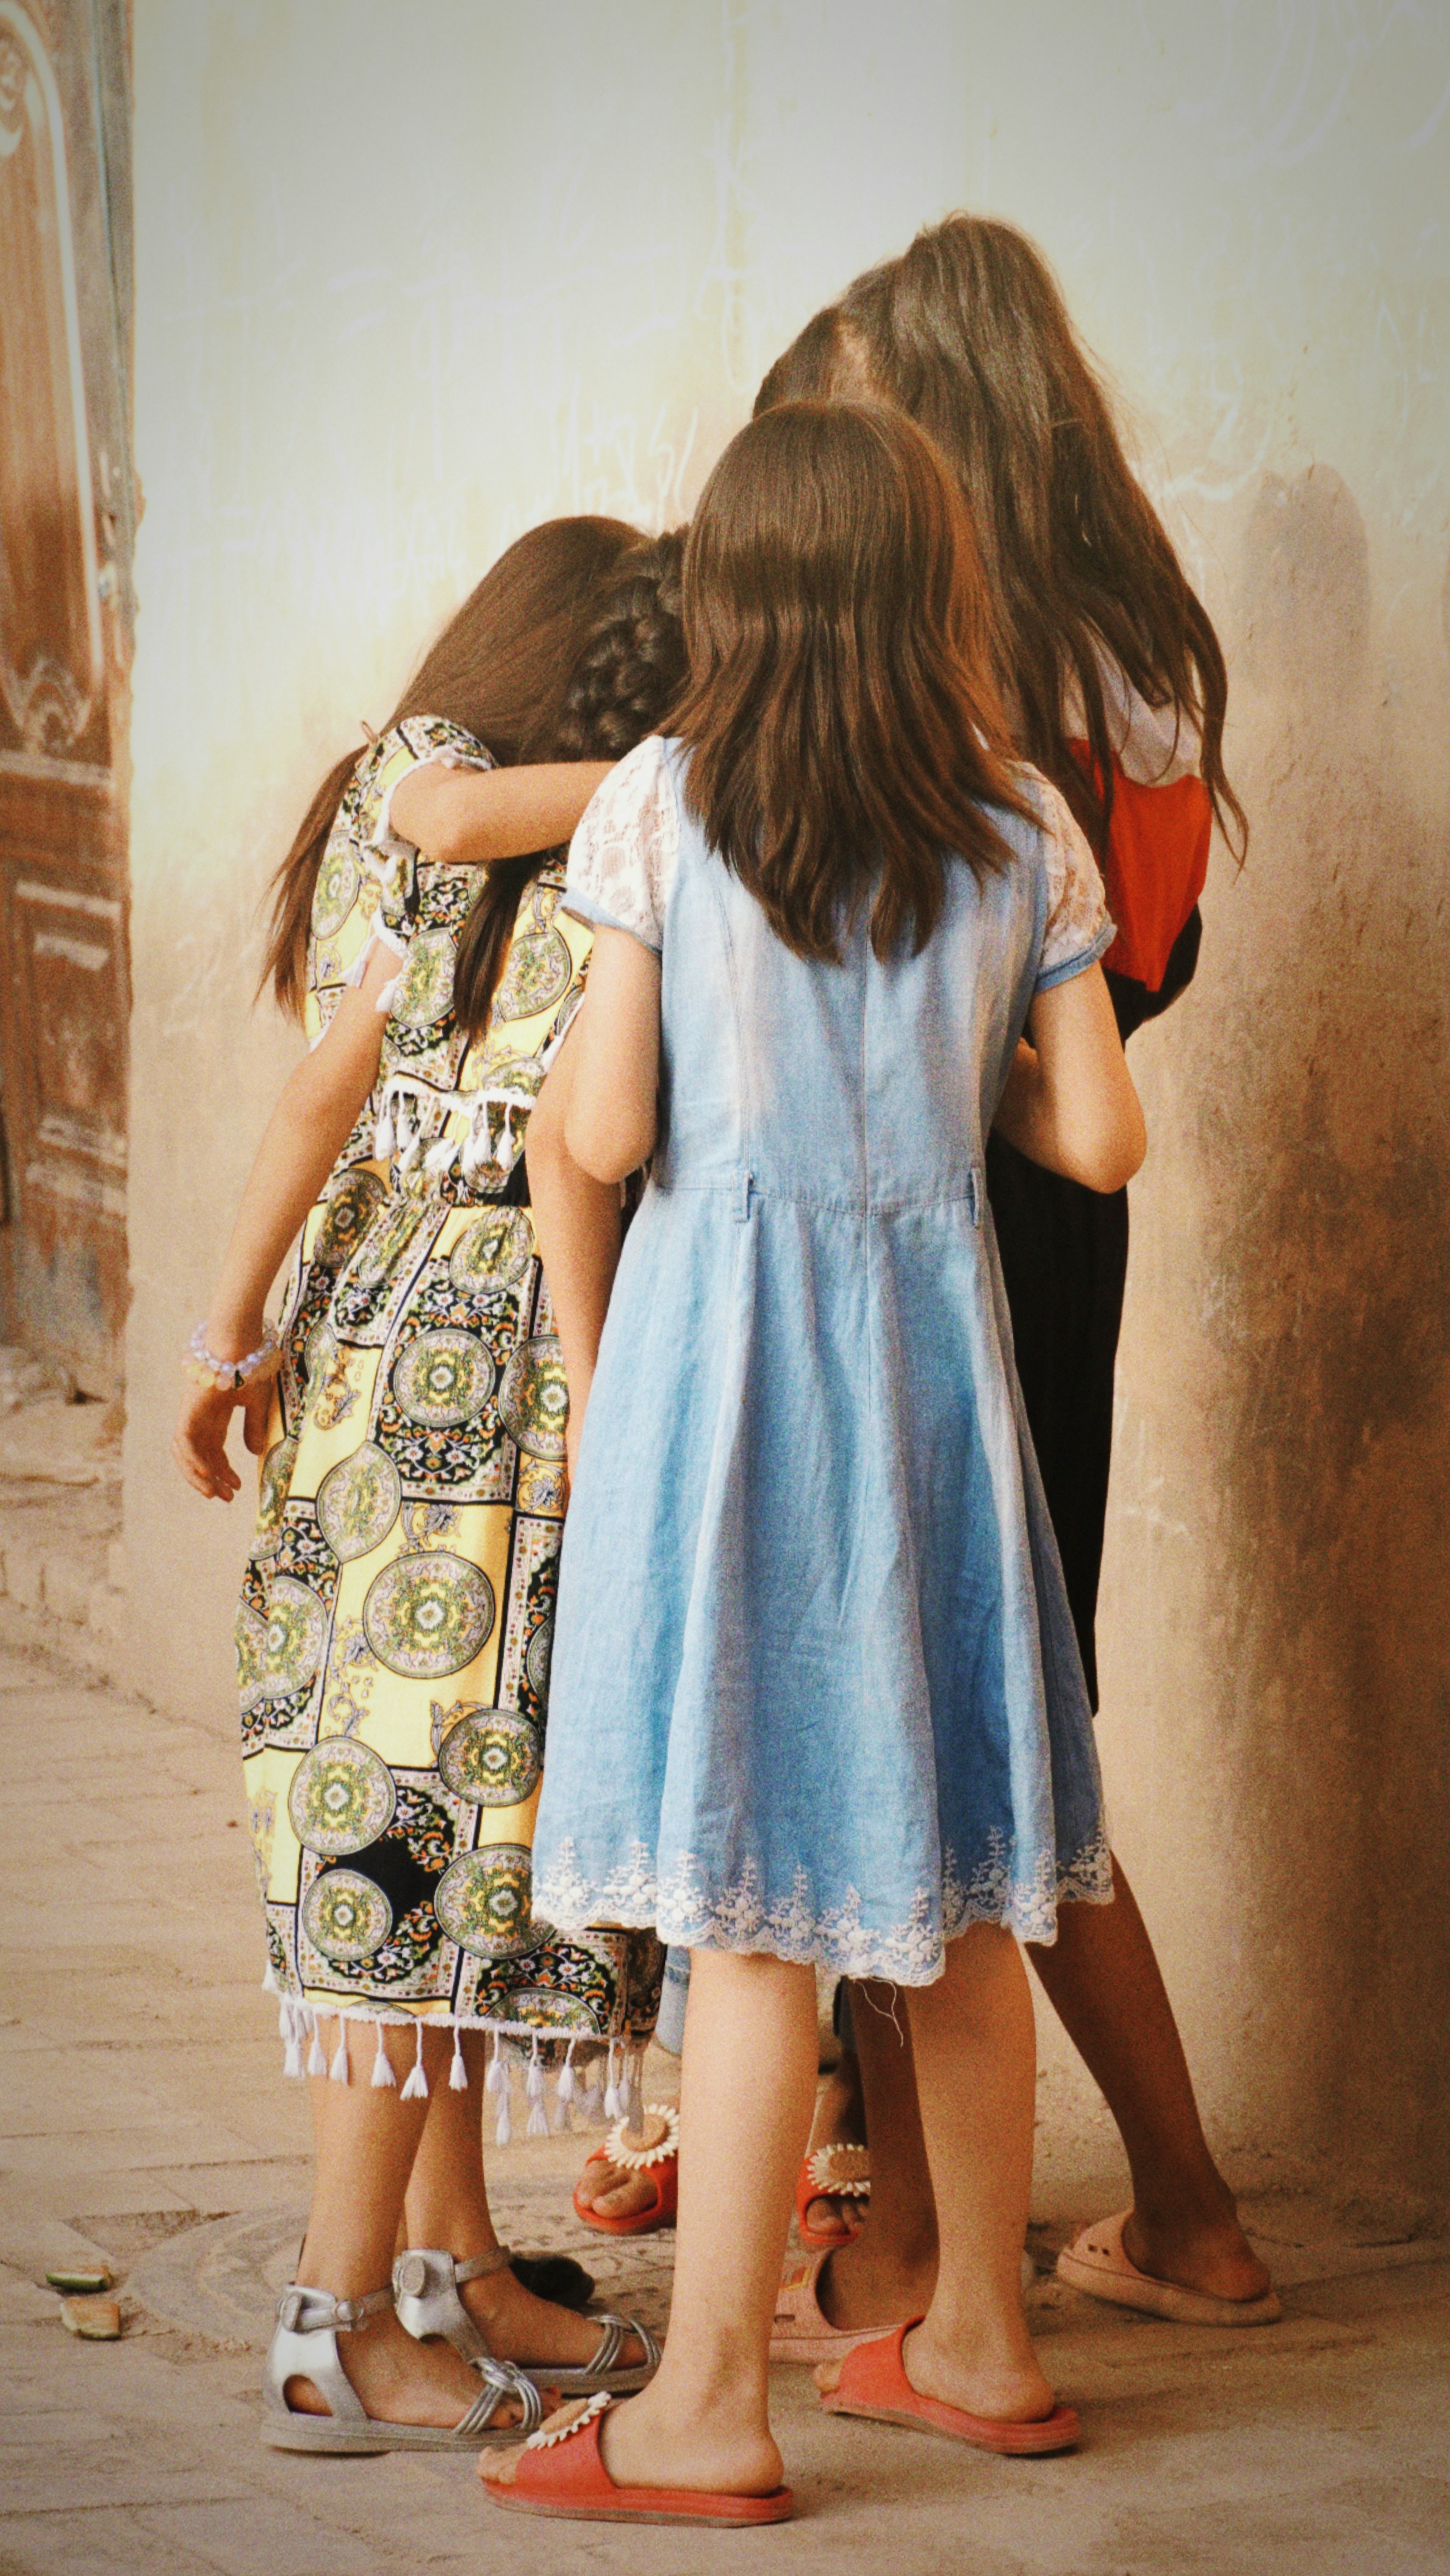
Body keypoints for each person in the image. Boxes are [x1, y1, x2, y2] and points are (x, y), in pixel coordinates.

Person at [482, 398, 1144, 2525]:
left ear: (739, 590)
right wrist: (951, 1104)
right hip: (932, 1374)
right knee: (951, 1870)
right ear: (931, 583)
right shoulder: (1021, 819)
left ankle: (704, 2414)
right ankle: (979, 2342)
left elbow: (595, 1134)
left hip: (727, 1375)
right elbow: (1102, 1138)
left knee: (750, 1896)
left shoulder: (663, 808)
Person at [750, 218, 1277, 2366]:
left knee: (903, 1702)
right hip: (1069, 1186)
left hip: (919, 1197)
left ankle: (904, 2253)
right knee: (1020, 1711)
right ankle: (1174, 2205)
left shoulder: (943, 662)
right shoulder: (1147, 635)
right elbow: (1147, 967)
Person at [173, 517, 686, 2452]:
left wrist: (237, 1339)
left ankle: (442, 2262)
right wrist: (681, 782)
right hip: (482, 1398)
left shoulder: (542, 831)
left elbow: (322, 1090)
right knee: (406, 1838)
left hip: (387, 1361)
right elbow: (552, 1136)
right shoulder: (455, 795)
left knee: (459, 1833)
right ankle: (331, 2310)